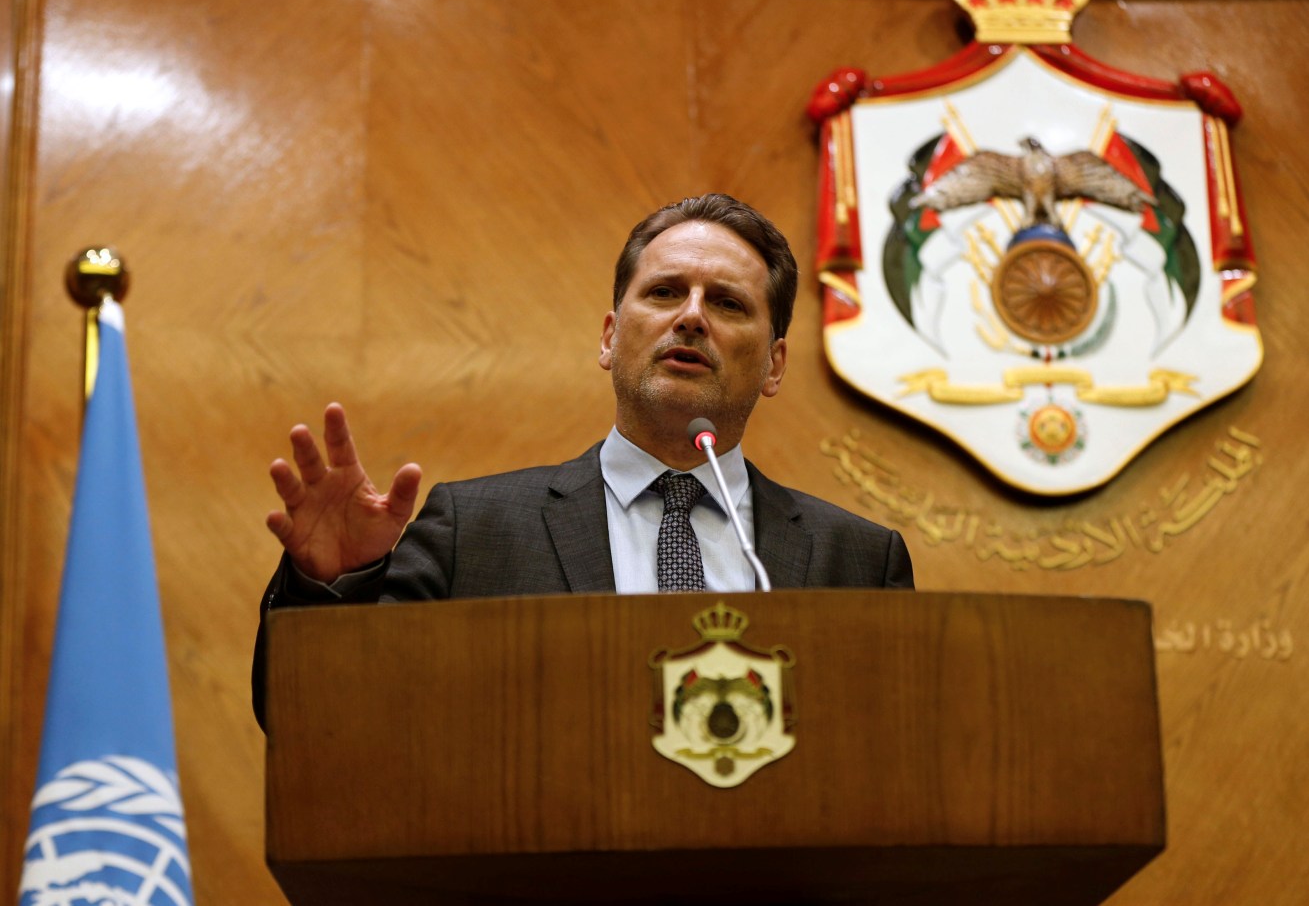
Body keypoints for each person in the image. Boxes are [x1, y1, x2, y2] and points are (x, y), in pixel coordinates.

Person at [252, 193, 913, 726]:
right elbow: (327, 718)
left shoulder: (856, 559)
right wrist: (335, 589)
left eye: (727, 302)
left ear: (773, 364)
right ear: (609, 336)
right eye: (663, 292)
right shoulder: (474, 531)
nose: (690, 317)